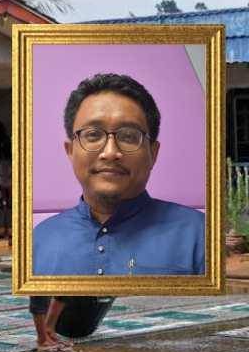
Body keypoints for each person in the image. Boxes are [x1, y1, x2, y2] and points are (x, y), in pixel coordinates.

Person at [33, 73, 205, 276]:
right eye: (93, 135)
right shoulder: (39, 241)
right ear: (70, 151)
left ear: (153, 153)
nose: (110, 152)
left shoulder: (200, 236)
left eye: (129, 136)